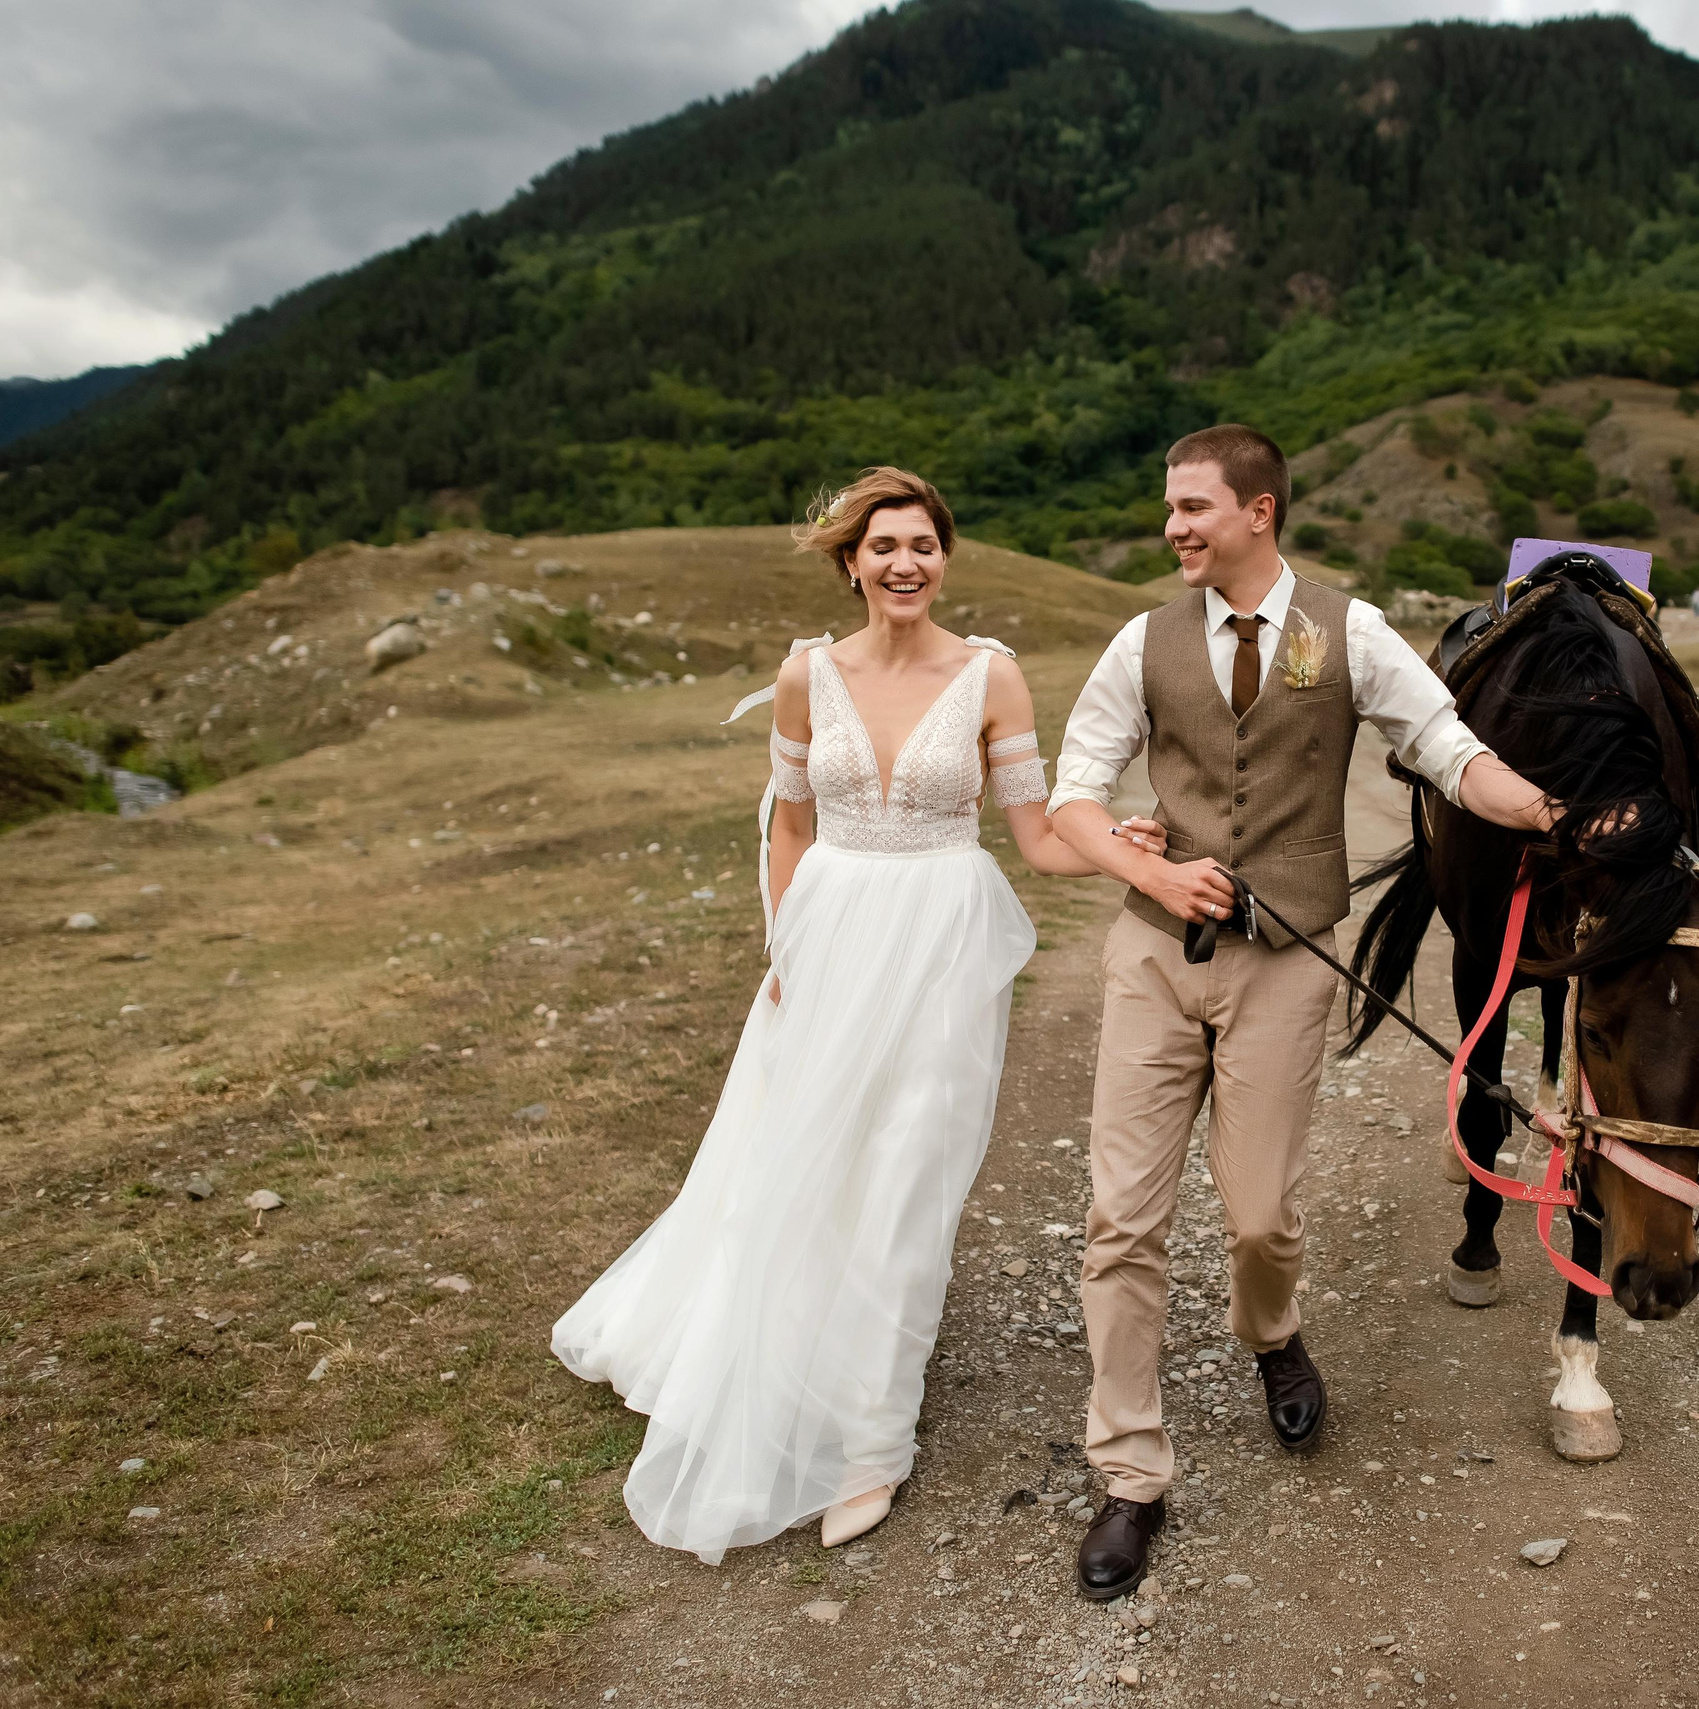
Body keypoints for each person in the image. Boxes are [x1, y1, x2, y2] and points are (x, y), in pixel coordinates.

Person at [552, 467, 1164, 1564]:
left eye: (923, 543)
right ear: (851, 562)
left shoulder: (992, 679)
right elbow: (789, 825)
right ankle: (774, 1346)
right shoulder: (803, 675)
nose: (904, 562)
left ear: (945, 556)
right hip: (825, 937)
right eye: (884, 545)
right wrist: (783, 944)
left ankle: (870, 1442)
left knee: (906, 1170)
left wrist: (1125, 847)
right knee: (800, 1158)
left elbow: (1031, 836)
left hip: (939, 938)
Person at [1044, 424, 1565, 1600]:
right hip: (1153, 960)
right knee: (1119, 1220)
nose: (1172, 527)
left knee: (1262, 1217)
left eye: (1192, 508)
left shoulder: (1349, 629)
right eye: (1169, 508)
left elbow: (1442, 744)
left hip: (1285, 961)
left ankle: (1272, 1332)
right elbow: (1075, 792)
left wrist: (1539, 806)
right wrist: (1153, 872)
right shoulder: (1143, 639)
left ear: (1259, 511)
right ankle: (1129, 1472)